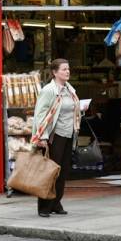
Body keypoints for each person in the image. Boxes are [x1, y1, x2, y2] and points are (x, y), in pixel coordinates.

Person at [31, 58, 81, 218]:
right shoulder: (49, 90)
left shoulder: (69, 89)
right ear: (54, 72)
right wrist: (43, 137)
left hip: (68, 134)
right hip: (54, 136)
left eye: (68, 69)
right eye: (64, 69)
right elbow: (40, 114)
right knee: (50, 171)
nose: (67, 72)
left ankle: (56, 202)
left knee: (63, 171)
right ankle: (44, 206)